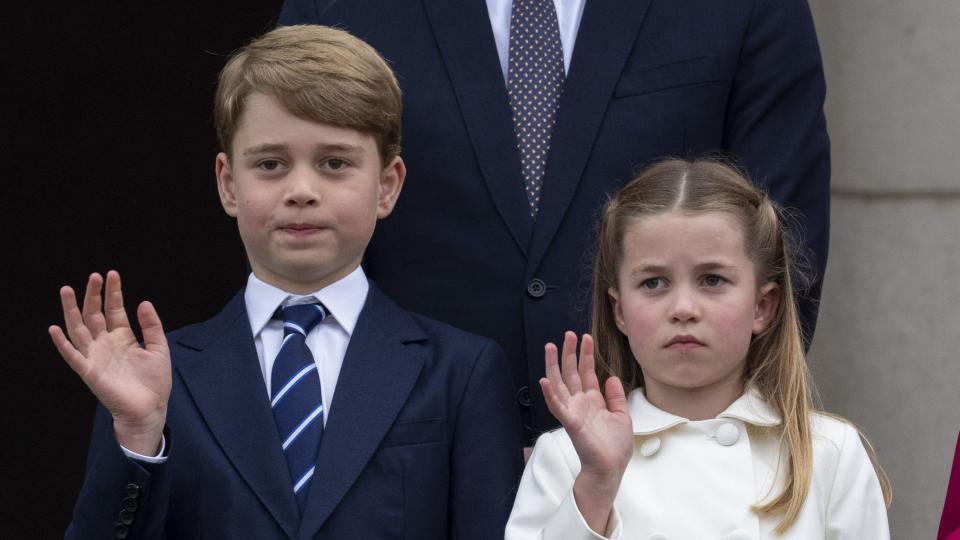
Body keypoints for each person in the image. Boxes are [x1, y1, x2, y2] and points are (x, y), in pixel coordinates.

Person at [276, 0, 832, 444]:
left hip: (671, 463)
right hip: (409, 461)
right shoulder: (337, 6)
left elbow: (778, 245)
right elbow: (302, 233)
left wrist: (699, 454)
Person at [48, 25, 522, 539]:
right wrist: (139, 435)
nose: (301, 190)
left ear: (387, 186)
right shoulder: (161, 377)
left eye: (334, 163)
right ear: (228, 184)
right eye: (270, 164)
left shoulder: (461, 372)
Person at [505, 159, 890, 539]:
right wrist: (597, 484)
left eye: (712, 279)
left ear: (763, 306)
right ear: (619, 310)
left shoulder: (828, 453)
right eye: (654, 283)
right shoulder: (567, 456)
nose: (683, 309)